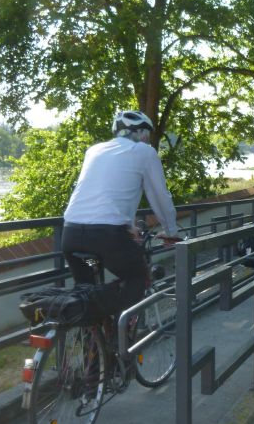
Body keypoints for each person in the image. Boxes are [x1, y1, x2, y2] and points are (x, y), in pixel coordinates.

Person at [61, 110, 181, 308]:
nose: (147, 139)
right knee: (137, 277)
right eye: (146, 133)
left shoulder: (94, 150)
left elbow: (107, 192)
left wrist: (128, 226)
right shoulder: (144, 152)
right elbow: (160, 197)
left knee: (85, 291)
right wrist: (171, 231)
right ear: (138, 132)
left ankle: (92, 324)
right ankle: (121, 327)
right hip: (106, 239)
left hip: (71, 236)